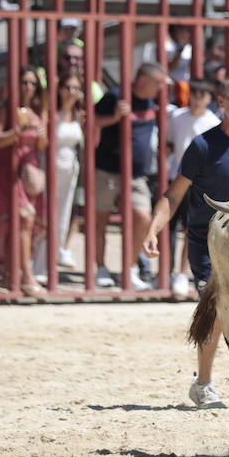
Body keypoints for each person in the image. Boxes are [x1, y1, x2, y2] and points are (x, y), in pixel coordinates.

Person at [142, 74, 229, 408]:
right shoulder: (201, 146)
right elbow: (173, 194)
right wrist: (154, 229)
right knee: (215, 312)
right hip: (207, 242)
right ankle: (203, 383)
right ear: (221, 103)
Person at [93, 62, 169, 290]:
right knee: (100, 221)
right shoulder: (115, 96)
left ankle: (129, 268)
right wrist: (114, 117)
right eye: (157, 83)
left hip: (137, 176)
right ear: (144, 81)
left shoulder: (152, 101)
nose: (161, 89)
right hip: (107, 170)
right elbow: (91, 121)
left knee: (144, 219)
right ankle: (100, 269)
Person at [0, 66, 48, 298]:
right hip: (8, 171)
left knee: (21, 223)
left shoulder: (36, 111)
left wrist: (41, 134)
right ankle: (27, 277)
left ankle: (11, 273)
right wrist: (18, 131)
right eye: (24, 82)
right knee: (25, 220)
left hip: (28, 171)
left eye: (32, 83)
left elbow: (41, 146)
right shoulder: (7, 111)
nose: (28, 87)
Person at [163, 79, 220, 296]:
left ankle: (181, 273)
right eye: (194, 94)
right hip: (174, 177)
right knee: (169, 227)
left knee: (190, 229)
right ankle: (168, 272)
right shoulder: (177, 117)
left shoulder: (212, 122)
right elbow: (167, 144)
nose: (196, 100)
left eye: (202, 96)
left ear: (209, 99)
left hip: (197, 182)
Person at [47, 71, 85, 274]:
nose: (71, 92)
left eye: (75, 88)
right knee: (47, 215)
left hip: (70, 170)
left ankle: (54, 258)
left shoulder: (79, 115)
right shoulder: (50, 112)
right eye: (67, 87)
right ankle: (40, 263)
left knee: (63, 215)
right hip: (50, 169)